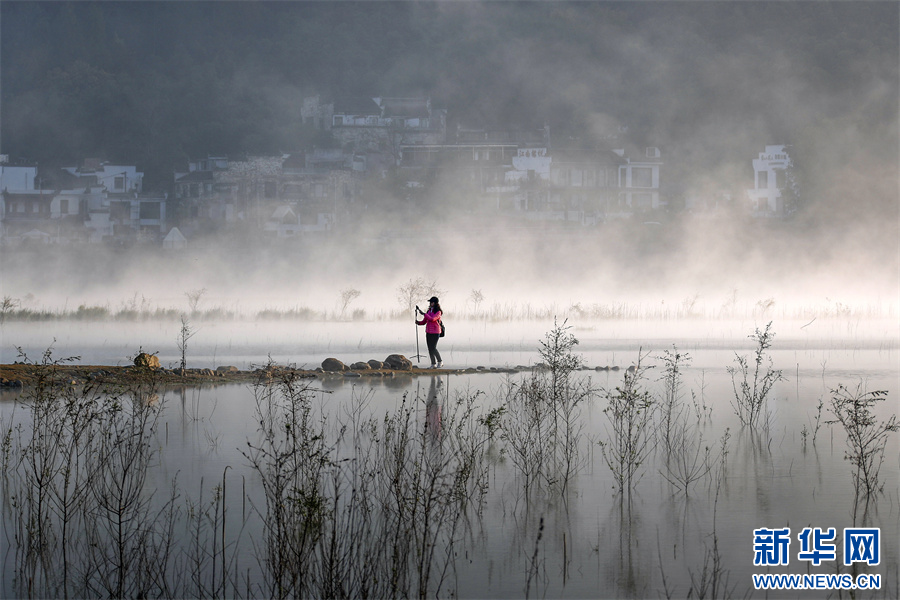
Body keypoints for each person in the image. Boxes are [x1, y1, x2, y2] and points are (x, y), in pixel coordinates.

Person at [416, 296, 443, 368]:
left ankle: (440, 361)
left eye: (432, 302)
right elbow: (424, 321)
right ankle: (433, 364)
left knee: (433, 348)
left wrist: (424, 314)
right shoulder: (429, 311)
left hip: (436, 332)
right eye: (430, 302)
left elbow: (432, 319)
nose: (430, 303)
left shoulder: (438, 312)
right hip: (428, 332)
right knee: (430, 348)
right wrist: (418, 323)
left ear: (435, 303)